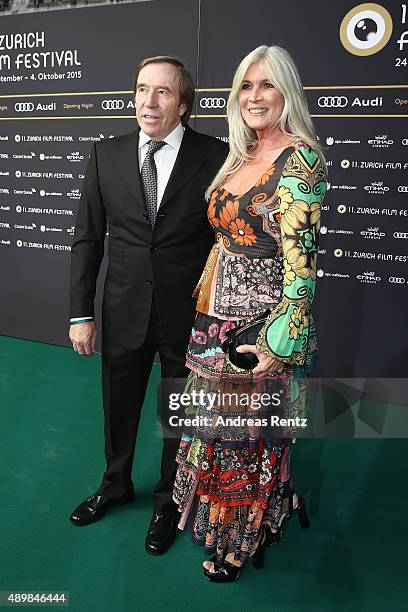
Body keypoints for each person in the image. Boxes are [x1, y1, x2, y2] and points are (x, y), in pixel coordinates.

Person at [171, 44, 327, 581]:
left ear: (288, 93)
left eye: (267, 85)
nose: (255, 96)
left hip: (259, 328)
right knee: (210, 432)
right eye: (246, 85)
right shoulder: (240, 155)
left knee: (243, 439)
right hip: (214, 314)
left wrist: (278, 343)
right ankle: (264, 511)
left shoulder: (299, 159)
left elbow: (301, 268)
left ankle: (242, 534)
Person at [68, 55, 228, 556]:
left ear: (183, 104)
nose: (148, 101)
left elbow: (225, 240)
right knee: (119, 405)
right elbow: (87, 240)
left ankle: (168, 501)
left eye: (162, 92)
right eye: (141, 90)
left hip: (188, 313)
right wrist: (80, 313)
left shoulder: (216, 156)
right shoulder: (105, 155)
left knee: (177, 410)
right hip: (123, 309)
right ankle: (115, 483)